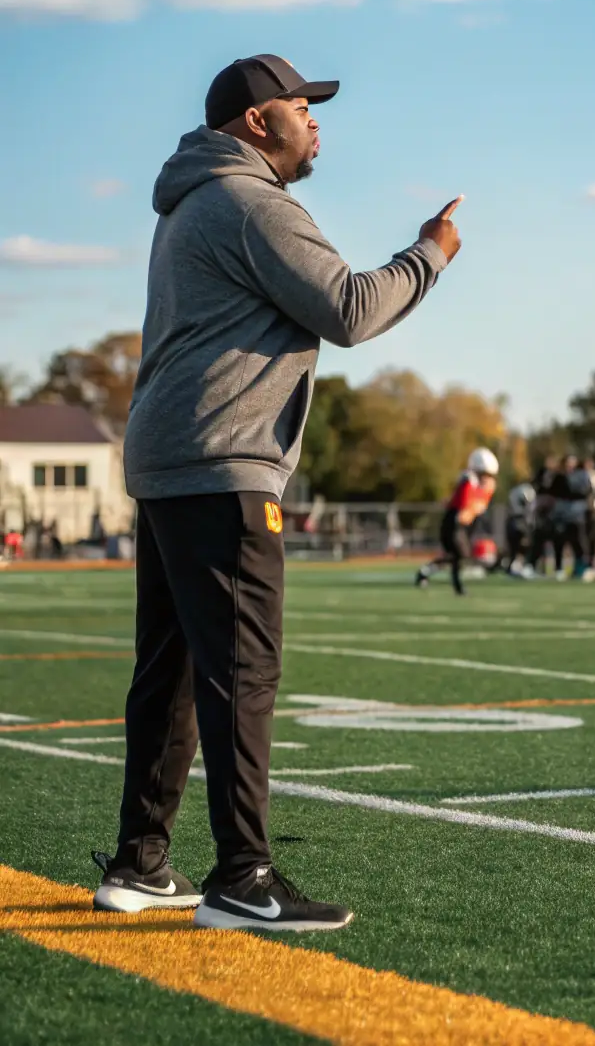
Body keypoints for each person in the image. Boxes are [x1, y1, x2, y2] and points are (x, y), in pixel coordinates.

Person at [97, 53, 461, 932]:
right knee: (241, 668)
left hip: (173, 455)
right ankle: (242, 876)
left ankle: (142, 861)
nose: (316, 120)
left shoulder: (193, 199)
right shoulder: (251, 201)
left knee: (173, 670)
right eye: (303, 106)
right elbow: (350, 308)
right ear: (258, 121)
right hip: (222, 459)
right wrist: (431, 254)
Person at [416, 448, 499, 595]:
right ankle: (454, 585)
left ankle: (429, 574)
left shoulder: (481, 486)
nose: (487, 478)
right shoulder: (469, 482)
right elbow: (464, 511)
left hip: (462, 525)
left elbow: (473, 509)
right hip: (454, 523)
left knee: (455, 556)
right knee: (459, 554)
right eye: (484, 474)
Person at [552, 455, 588, 580]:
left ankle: (580, 568)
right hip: (561, 514)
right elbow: (554, 492)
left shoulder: (581, 476)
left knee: (577, 542)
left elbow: (583, 492)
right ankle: (558, 568)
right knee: (559, 541)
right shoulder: (559, 477)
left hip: (576, 514)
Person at [503, 480, 537, 577]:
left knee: (517, 546)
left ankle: (515, 566)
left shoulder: (514, 491)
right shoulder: (526, 490)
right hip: (519, 520)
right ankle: (517, 566)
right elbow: (527, 505)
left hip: (514, 520)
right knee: (521, 544)